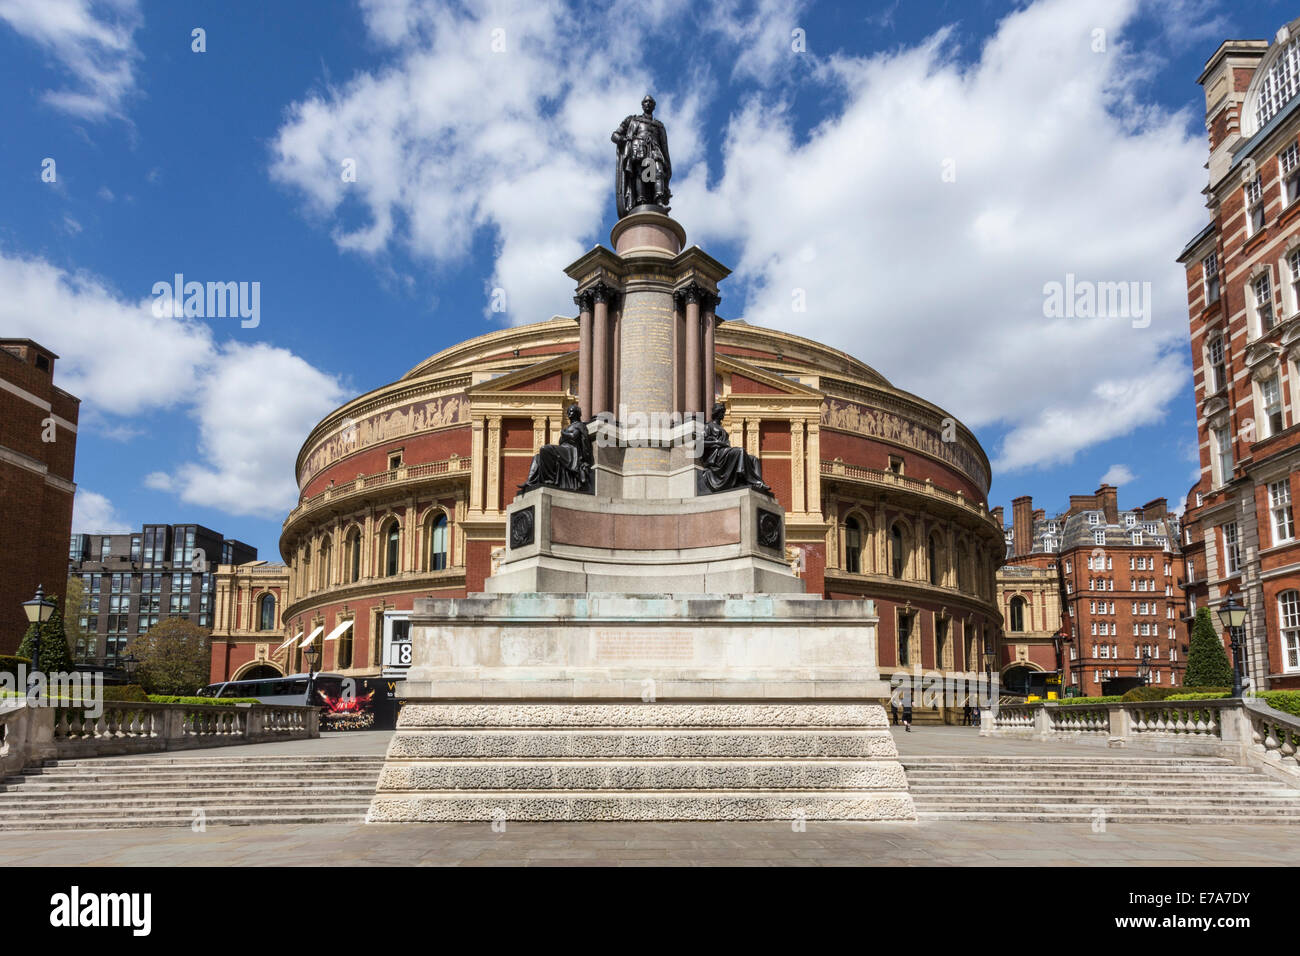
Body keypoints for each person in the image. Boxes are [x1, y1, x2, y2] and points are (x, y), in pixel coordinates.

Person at [699, 402, 773, 496]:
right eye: (721, 412)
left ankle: (759, 484)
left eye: (723, 412)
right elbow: (700, 443)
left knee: (754, 459)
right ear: (716, 413)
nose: (723, 414)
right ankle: (746, 478)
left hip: (725, 453)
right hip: (717, 456)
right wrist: (716, 442)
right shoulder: (708, 426)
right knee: (740, 451)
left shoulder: (721, 428)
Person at [518, 404, 594, 494]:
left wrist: (563, 433)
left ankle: (548, 480)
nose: (569, 413)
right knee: (538, 457)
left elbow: (574, 436)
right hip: (564, 449)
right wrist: (565, 433)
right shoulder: (569, 427)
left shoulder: (579, 425)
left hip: (571, 451)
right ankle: (530, 482)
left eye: (572, 411)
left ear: (577, 413)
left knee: (545, 449)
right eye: (568, 411)